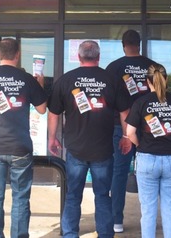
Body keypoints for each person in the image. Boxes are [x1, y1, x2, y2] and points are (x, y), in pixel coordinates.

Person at [47, 40, 132, 238]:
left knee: (73, 195)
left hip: (75, 149)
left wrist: (53, 138)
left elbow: (53, 113)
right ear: (98, 57)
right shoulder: (111, 79)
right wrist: (127, 136)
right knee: (102, 196)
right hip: (103, 149)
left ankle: (70, 234)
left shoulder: (66, 80)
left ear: (79, 57)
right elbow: (125, 111)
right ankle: (104, 234)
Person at [0, 38, 48, 238]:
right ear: (18, 54)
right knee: (21, 198)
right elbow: (41, 109)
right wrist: (41, 85)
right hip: (20, 147)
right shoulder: (27, 79)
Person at [125, 63, 171, 238]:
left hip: (147, 159)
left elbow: (129, 132)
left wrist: (140, 146)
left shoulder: (140, 102)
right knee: (170, 209)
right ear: (166, 79)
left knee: (148, 210)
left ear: (147, 81)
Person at [104, 29, 155, 233]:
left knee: (119, 173)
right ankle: (148, 223)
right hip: (149, 127)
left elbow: (105, 99)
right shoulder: (153, 67)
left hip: (121, 127)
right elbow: (161, 97)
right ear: (139, 44)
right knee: (150, 173)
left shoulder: (113, 68)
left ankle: (117, 220)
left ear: (123, 45)